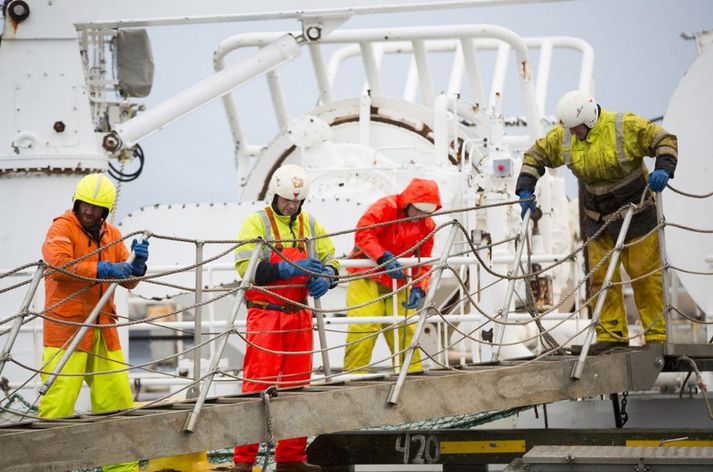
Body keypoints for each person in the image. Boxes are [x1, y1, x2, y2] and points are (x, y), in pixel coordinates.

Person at [515, 90, 677, 353]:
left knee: (643, 274)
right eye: (570, 129)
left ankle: (657, 337)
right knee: (600, 278)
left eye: (577, 128)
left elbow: (663, 140)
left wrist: (664, 168)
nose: (574, 133)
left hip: (637, 215)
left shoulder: (624, 126)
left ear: (590, 118)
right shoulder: (565, 136)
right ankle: (611, 335)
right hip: (598, 219)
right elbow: (536, 155)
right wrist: (525, 188)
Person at [232, 164, 339, 472]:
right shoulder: (256, 223)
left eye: (296, 201)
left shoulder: (311, 223)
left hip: (299, 315)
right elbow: (246, 269)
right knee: (257, 387)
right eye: (286, 200)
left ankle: (291, 459)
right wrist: (285, 269)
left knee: (297, 387)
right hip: (266, 315)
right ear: (275, 195)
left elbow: (331, 257)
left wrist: (329, 276)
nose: (291, 205)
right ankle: (243, 462)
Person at [40, 173, 149, 472]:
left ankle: (122, 469)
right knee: (57, 405)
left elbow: (128, 281)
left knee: (116, 403)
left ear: (106, 211)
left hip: (103, 329)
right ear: (76, 202)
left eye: (96, 207)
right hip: (66, 330)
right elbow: (59, 266)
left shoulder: (112, 234)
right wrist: (105, 268)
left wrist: (137, 267)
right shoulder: (61, 228)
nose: (89, 211)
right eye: (85, 204)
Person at [343, 178, 442, 374]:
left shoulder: (427, 225)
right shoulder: (386, 207)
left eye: (426, 212)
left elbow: (424, 260)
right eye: (418, 209)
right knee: (364, 326)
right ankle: (353, 378)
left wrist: (419, 287)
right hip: (366, 276)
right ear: (408, 203)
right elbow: (363, 233)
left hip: (397, 280)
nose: (420, 216)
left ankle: (411, 375)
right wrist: (382, 257)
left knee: (406, 328)